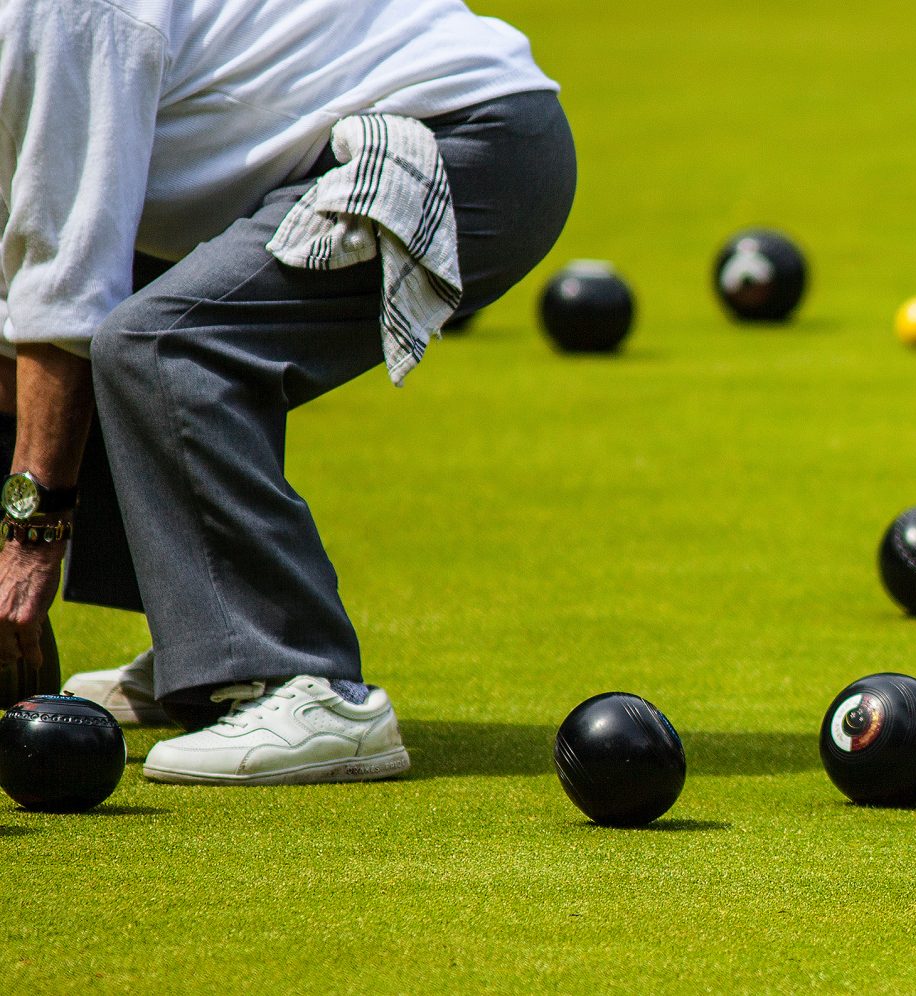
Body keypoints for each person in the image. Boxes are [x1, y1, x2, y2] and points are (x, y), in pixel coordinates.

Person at [0, 0, 576, 784]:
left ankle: (303, 681)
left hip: (461, 138)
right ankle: (212, 651)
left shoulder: (53, 17)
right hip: (361, 140)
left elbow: (64, 296)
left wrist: (28, 536)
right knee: (119, 327)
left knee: (163, 344)